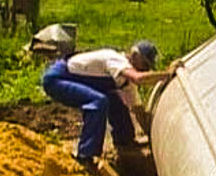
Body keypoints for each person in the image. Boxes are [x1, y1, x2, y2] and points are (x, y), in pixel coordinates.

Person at [41, 40, 176, 167]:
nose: (145, 69)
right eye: (145, 64)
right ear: (134, 55)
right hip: (57, 79)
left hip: (74, 81)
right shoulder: (117, 60)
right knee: (99, 102)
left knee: (115, 102)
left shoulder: (125, 82)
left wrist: (153, 138)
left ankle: (125, 141)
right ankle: (85, 155)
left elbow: (138, 111)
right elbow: (138, 78)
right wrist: (167, 74)